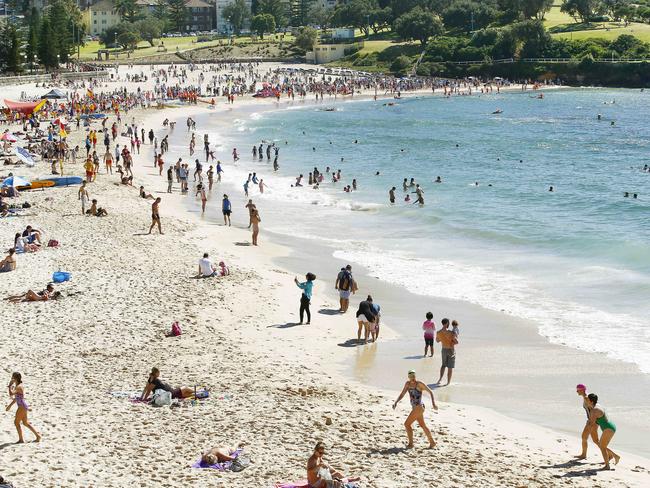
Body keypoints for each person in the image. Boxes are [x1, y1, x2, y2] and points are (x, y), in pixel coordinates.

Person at [393, 370, 437, 448]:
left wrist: (433, 403)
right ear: (408, 377)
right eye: (410, 377)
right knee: (422, 425)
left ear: (415, 376)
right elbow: (402, 393)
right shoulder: (407, 384)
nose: (412, 378)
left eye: (413, 376)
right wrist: (396, 402)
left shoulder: (419, 384)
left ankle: (411, 444)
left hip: (419, 407)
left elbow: (430, 392)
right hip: (415, 408)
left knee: (407, 424)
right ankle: (432, 442)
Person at [586, 393, 620, 469]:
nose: (586, 401)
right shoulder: (597, 406)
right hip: (610, 427)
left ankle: (607, 465)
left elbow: (591, 423)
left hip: (608, 429)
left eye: (587, 400)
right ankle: (612, 456)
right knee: (602, 446)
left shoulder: (594, 410)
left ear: (591, 401)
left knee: (602, 446)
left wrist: (588, 424)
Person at [6, 372, 41, 443]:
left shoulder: (18, 387)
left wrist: (9, 386)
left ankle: (21, 439)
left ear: (15, 378)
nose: (11, 379)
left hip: (22, 407)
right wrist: (10, 405)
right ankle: (37, 436)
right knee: (25, 423)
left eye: (12, 377)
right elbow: (17, 398)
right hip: (23, 406)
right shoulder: (18, 386)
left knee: (16, 422)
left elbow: (11, 394)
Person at [575, 384, 603, 460]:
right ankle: (584, 454)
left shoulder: (587, 398)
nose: (577, 391)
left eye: (578, 389)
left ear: (583, 390)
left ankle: (610, 454)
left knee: (588, 438)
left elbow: (593, 409)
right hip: (592, 420)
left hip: (592, 421)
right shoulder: (586, 397)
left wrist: (591, 421)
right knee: (592, 439)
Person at [435, 318, 457, 385]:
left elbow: (437, 341)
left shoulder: (438, 332)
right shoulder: (451, 333)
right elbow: (456, 341)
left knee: (443, 365)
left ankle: (440, 379)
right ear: (447, 323)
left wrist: (443, 339)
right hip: (451, 350)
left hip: (443, 349)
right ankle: (448, 382)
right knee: (450, 367)